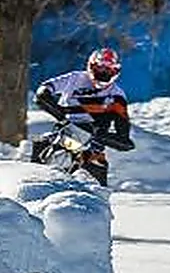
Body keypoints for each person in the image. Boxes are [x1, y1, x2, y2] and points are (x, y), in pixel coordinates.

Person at [33, 47, 136, 186]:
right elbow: (45, 89)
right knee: (41, 145)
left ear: (115, 71)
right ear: (91, 66)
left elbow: (123, 132)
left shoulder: (117, 96)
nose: (103, 73)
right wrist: (54, 107)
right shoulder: (74, 78)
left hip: (92, 145)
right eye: (100, 68)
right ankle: (32, 181)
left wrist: (108, 138)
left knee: (98, 176)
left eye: (108, 70)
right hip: (66, 133)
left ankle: (96, 196)